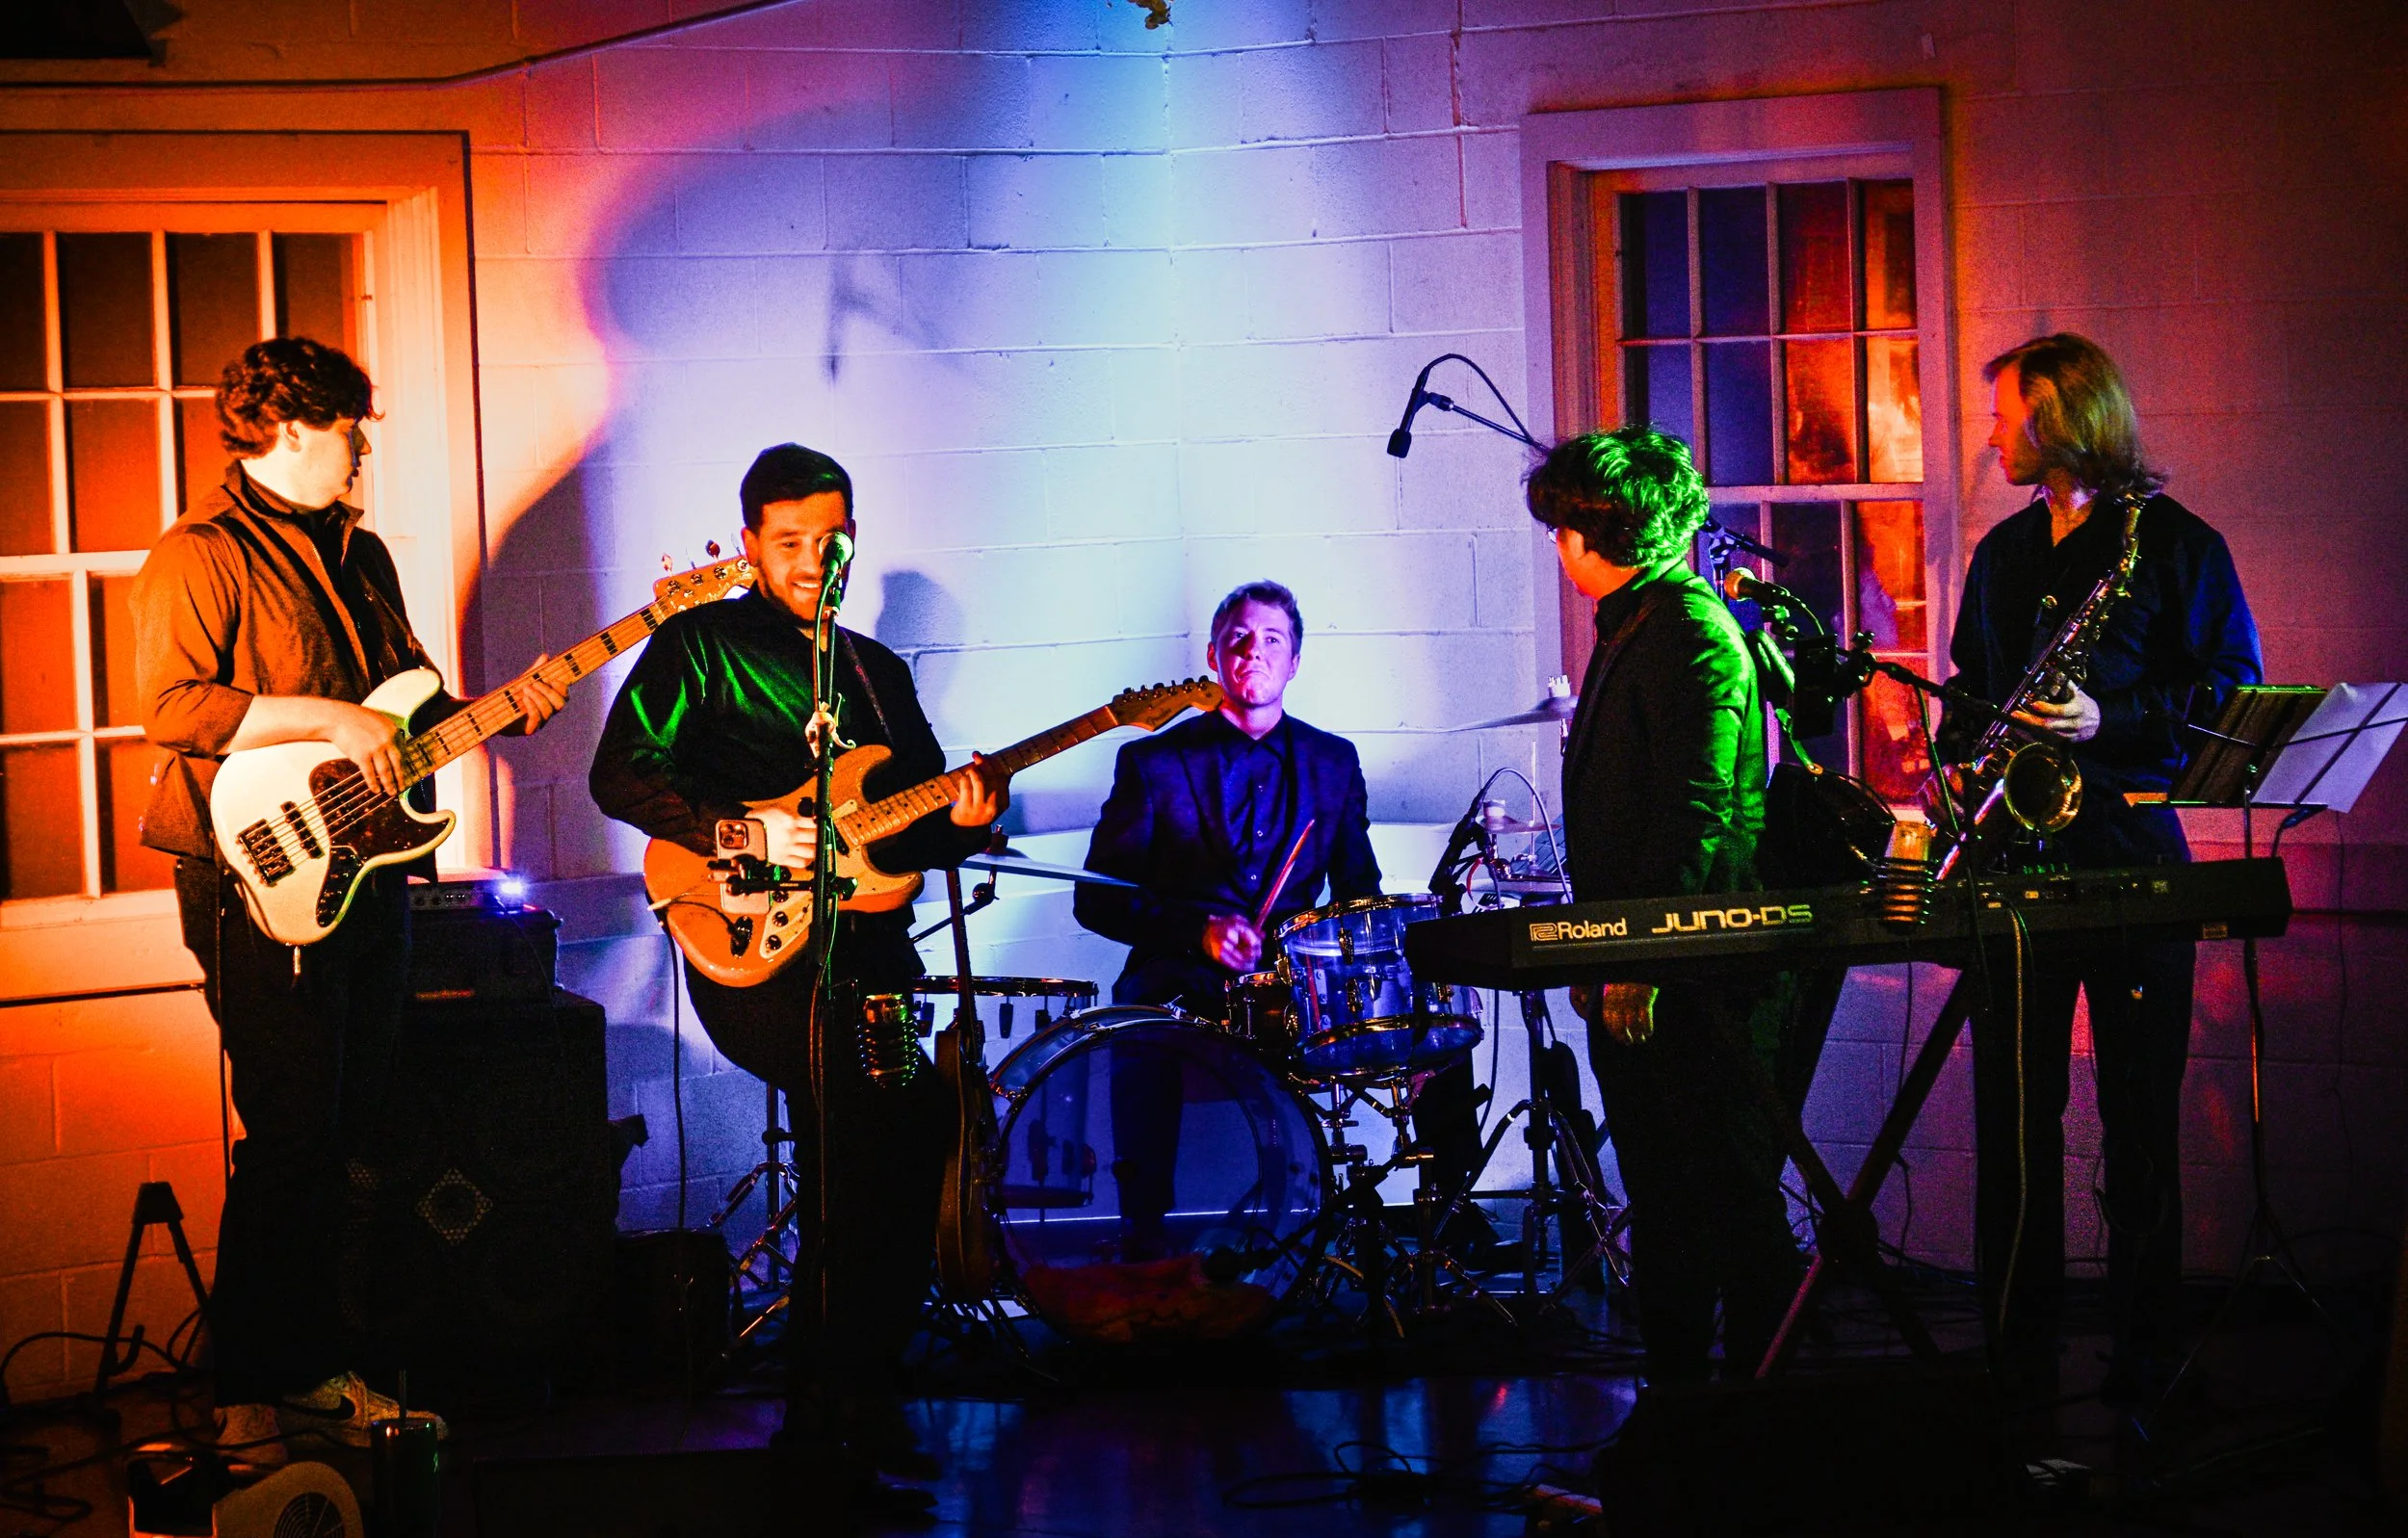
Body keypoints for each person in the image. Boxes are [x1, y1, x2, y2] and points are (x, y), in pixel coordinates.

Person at [134, 338, 566, 1461]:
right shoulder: (201, 553)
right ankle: (247, 1396)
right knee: (288, 1135)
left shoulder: (362, 554)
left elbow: (404, 708)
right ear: (285, 430)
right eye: (347, 427)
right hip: (252, 880)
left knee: (349, 1133)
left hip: (365, 875)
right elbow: (175, 706)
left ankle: (314, 1374)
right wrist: (331, 722)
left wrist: (501, 709)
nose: (363, 444)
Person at [589, 443, 1007, 1499]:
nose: (814, 558)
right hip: (755, 950)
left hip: (874, 953)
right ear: (749, 546)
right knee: (855, 1128)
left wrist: (965, 818)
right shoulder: (702, 644)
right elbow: (619, 771)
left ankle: (861, 1393)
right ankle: (821, 1417)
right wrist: (733, 829)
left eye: (832, 536)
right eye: (790, 542)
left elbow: (900, 841)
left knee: (910, 1133)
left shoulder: (877, 669)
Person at [1940, 333, 2261, 1401]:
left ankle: (2147, 1356)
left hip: (2129, 856)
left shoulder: (2175, 547)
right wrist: (1951, 767)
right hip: (2010, 869)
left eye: (2004, 412)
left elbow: (2231, 695)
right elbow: (1967, 685)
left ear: (2061, 416)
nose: (1990, 433)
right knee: (2011, 1130)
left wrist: (2105, 715)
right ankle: (2012, 1358)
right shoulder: (2000, 555)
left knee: (2140, 1128)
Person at [1074, 582, 1486, 1262]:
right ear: (1214, 654)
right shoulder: (1151, 763)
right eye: (1238, 637)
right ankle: (1144, 1238)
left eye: (1272, 640)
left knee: (1441, 1025)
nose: (1254, 651)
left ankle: (1452, 1220)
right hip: (1184, 983)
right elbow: (1096, 899)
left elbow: (1360, 888)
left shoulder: (1332, 762)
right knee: (1138, 1033)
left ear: (1295, 661)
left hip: (1298, 987)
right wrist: (1196, 929)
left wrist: (1396, 989)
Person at [1531, 427, 1795, 1383]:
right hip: (1648, 961)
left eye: (1565, 528)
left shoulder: (1686, 629)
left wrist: (1641, 956)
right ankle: (1680, 1404)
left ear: (1613, 531)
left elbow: (1694, 815)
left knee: (1722, 1198)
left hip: (1698, 976)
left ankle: (1756, 1413)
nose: (1557, 547)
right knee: (1666, 1198)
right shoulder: (1635, 624)